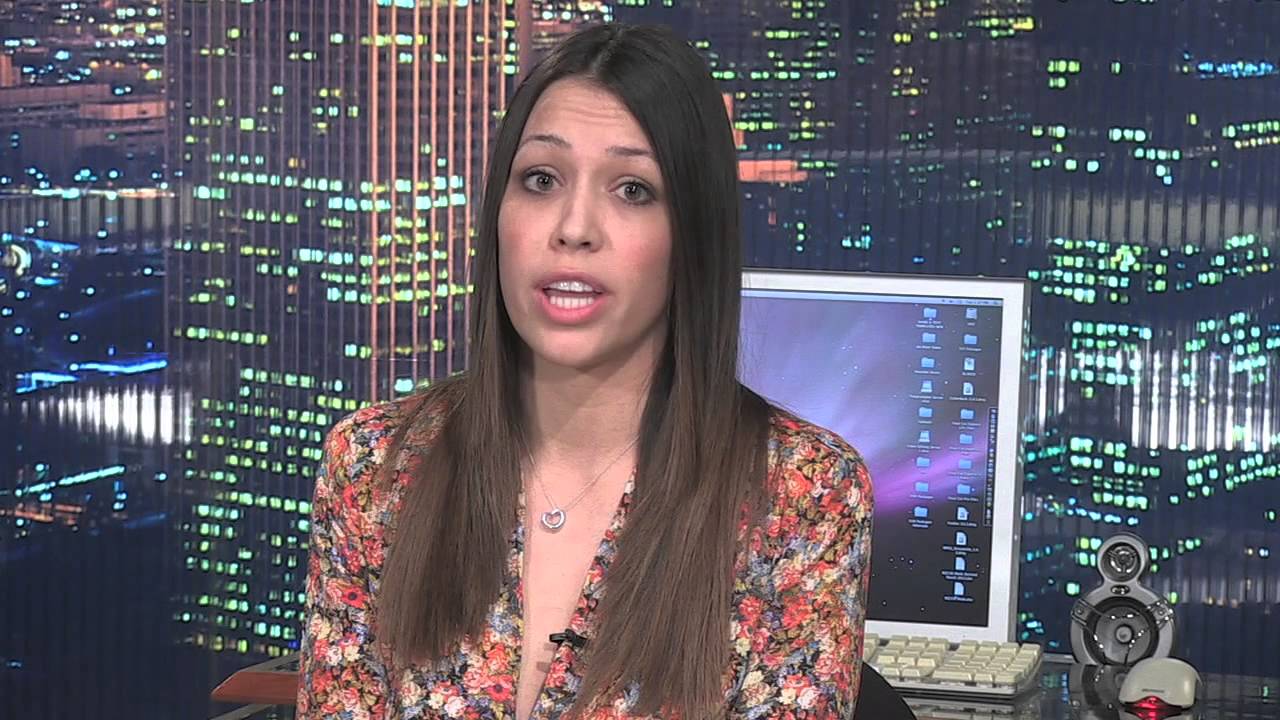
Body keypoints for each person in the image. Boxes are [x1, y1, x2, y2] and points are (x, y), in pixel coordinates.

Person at [297, 22, 873, 720]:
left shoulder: (805, 494)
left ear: (693, 234)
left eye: (633, 189)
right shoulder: (376, 466)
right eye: (541, 180)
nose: (574, 228)